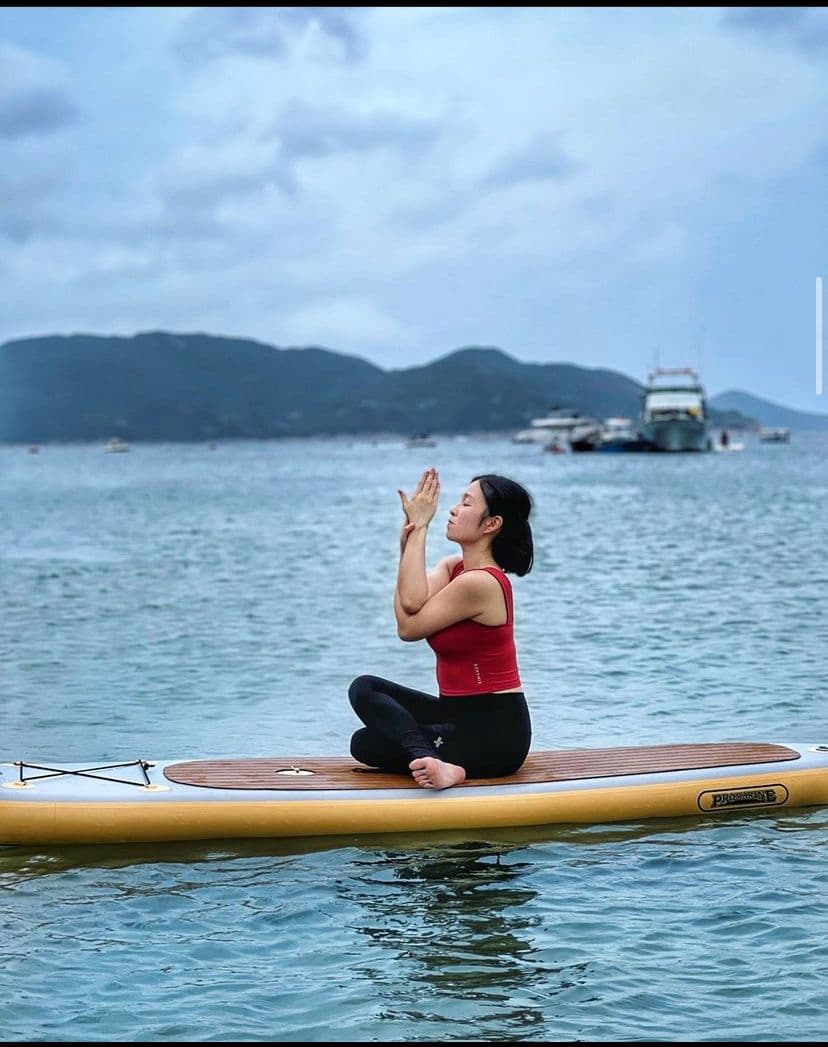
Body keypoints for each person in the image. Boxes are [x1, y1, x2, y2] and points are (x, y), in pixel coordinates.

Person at [348, 468, 534, 790]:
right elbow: (411, 602)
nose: (452, 509)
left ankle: (442, 765)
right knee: (364, 703)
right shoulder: (454, 567)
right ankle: (434, 757)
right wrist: (408, 541)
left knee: (374, 739)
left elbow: (409, 627)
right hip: (457, 717)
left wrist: (420, 527)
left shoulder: (482, 583)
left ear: (491, 524)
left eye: (465, 504)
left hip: (497, 733)